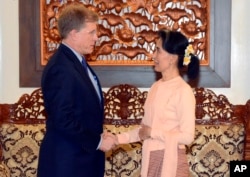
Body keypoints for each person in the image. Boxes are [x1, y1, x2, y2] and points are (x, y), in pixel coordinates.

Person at [37, 4, 116, 177]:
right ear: (73, 33)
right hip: (67, 164)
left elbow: (82, 111)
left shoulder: (74, 62)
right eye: (91, 33)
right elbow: (63, 119)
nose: (96, 38)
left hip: (80, 161)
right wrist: (98, 141)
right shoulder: (61, 67)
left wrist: (99, 134)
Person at [115, 30, 200, 177]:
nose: (153, 56)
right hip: (150, 161)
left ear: (172, 58)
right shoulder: (155, 87)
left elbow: (187, 137)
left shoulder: (183, 91)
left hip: (172, 163)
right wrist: (116, 139)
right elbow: (144, 130)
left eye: (158, 50)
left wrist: (152, 133)